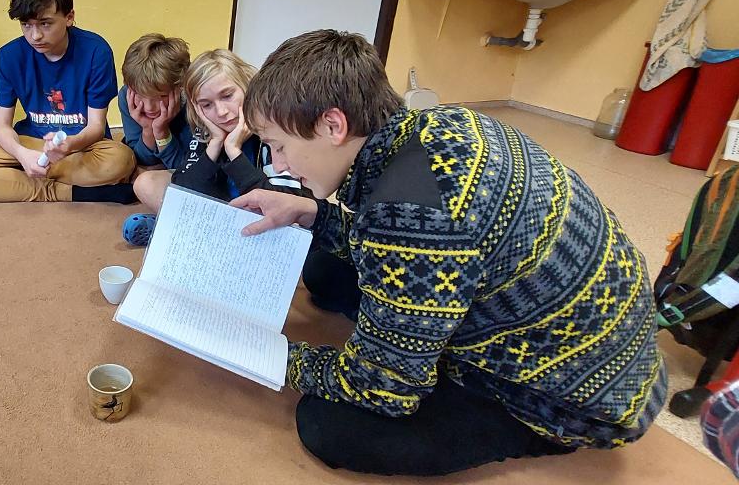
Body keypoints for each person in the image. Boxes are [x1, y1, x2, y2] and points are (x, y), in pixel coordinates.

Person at [233, 30, 666, 476]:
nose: (279, 165)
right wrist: (314, 214)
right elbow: (422, 247)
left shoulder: (403, 217)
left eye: (280, 146)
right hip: (597, 332)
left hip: (574, 399)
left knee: (326, 424)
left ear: (332, 125)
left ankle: (526, 429)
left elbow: (383, 389)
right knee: (326, 266)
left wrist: (271, 355)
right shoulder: (441, 123)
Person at [0, 0, 135, 203]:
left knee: (122, 160)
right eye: (26, 25)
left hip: (82, 146)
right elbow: (2, 126)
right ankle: (71, 191)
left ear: (69, 17)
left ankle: (22, 178)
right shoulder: (9, 56)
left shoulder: (96, 51)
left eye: (45, 24)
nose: (35, 36)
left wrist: (69, 145)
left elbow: (95, 127)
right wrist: (22, 155)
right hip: (30, 142)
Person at [121, 49, 304, 247]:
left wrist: (234, 151)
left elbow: (282, 205)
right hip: (224, 211)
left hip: (260, 222)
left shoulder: (272, 134)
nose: (221, 112)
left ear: (247, 85)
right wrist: (215, 144)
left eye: (227, 96)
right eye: (207, 105)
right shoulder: (209, 131)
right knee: (147, 183)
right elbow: (182, 189)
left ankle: (175, 229)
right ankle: (185, 229)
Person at [115, 34, 194, 212]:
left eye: (161, 96)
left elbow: (186, 169)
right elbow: (142, 158)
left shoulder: (193, 102)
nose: (149, 107)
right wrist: (148, 130)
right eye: (140, 95)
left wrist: (162, 131)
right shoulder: (126, 97)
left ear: (180, 87)